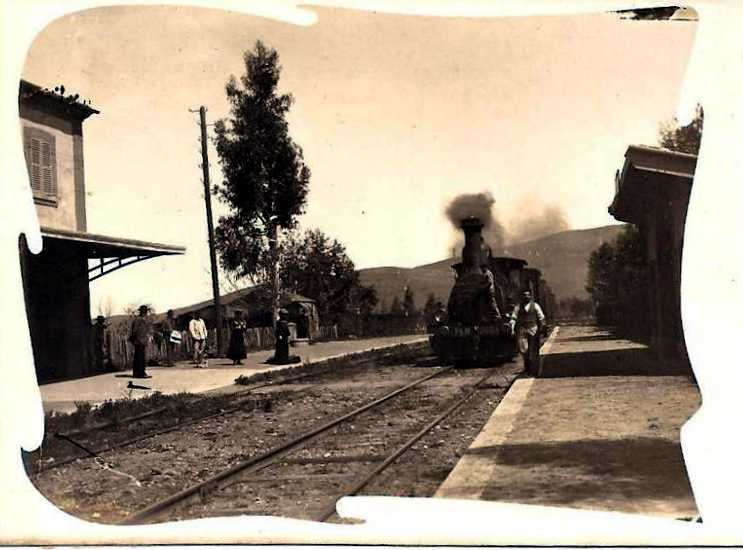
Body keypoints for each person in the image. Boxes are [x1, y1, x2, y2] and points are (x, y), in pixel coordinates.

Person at [510, 290, 546, 376]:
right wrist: (511, 328)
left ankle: (533, 371)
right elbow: (513, 318)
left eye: (528, 295)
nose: (526, 297)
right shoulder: (518, 307)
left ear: (530, 296)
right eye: (524, 295)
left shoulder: (536, 306)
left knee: (532, 351)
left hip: (533, 329)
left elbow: (541, 317)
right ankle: (527, 369)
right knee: (524, 351)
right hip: (523, 330)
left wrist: (543, 327)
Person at [129, 305, 152, 378]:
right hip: (139, 341)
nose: (146, 313)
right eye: (145, 311)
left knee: (140, 357)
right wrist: (137, 339)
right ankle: (140, 373)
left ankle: (138, 373)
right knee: (140, 357)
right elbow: (134, 331)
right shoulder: (138, 319)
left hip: (141, 340)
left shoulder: (142, 319)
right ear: (142, 312)